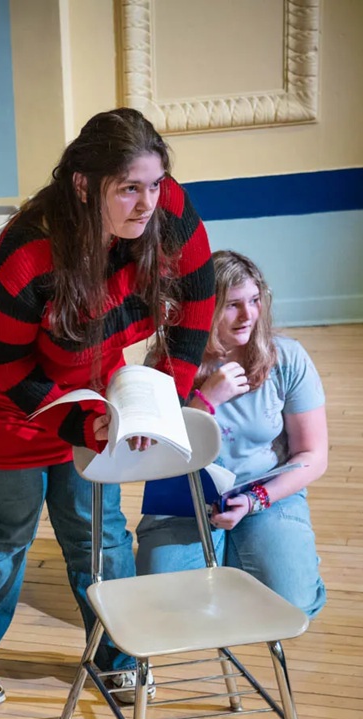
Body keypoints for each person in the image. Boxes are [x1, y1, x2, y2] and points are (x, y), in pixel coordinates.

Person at [0, 108, 214, 707]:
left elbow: (197, 298)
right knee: (4, 537)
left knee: (99, 533)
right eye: (129, 188)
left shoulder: (166, 211)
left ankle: (119, 656)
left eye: (156, 183)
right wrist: (80, 423)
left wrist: (165, 395)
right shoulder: (29, 251)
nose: (148, 203)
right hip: (1, 405)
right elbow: (8, 366)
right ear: (84, 185)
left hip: (89, 390)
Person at [136, 250, 328, 616]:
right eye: (233, 305)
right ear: (205, 307)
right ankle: (228, 558)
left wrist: (256, 499)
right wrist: (204, 401)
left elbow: (314, 455)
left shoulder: (287, 357)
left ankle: (268, 552)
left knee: (294, 606)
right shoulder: (167, 362)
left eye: (255, 301)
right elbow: (155, 455)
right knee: (166, 612)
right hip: (186, 500)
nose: (248, 315)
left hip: (265, 495)